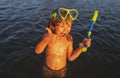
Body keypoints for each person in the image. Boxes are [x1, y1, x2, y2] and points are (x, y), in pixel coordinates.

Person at [35, 8, 91, 78]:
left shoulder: (69, 39)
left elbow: (70, 57)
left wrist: (82, 46)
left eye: (68, 26)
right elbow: (37, 51)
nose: (65, 29)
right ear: (53, 26)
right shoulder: (48, 37)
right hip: (48, 69)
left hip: (62, 71)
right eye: (62, 26)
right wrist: (46, 39)